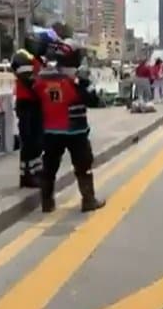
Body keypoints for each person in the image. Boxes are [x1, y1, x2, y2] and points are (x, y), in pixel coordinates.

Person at [32, 42, 105, 214]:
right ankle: (88, 200)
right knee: (83, 165)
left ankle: (47, 203)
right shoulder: (77, 79)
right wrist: (87, 84)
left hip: (51, 130)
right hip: (75, 130)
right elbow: (92, 100)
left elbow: (37, 95)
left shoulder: (44, 76)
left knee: (49, 168)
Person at [10, 42, 44, 188]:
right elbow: (29, 80)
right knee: (29, 140)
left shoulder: (38, 60)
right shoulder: (23, 56)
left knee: (37, 140)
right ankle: (27, 176)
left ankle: (36, 171)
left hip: (36, 103)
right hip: (26, 103)